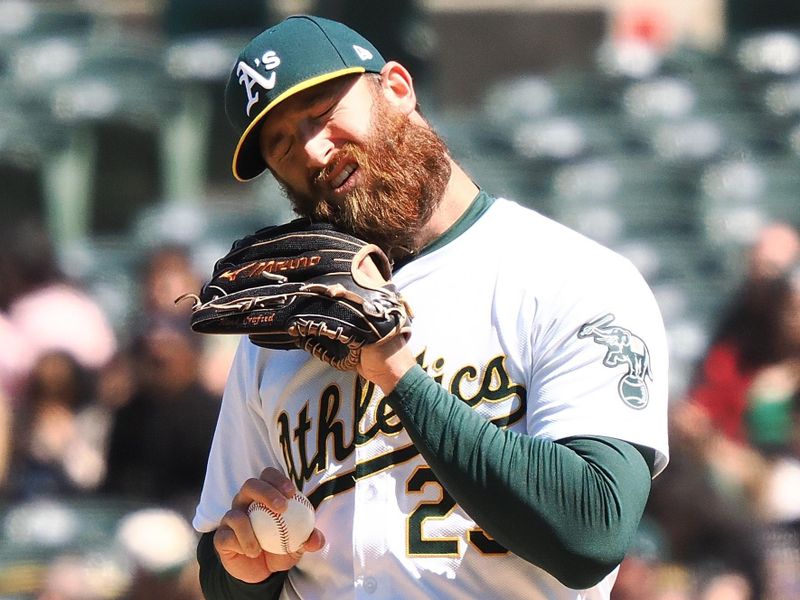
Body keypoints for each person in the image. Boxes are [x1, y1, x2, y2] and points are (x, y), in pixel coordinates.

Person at [192, 15, 669, 600]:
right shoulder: (280, 332)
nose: (314, 150)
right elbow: (223, 564)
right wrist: (239, 564)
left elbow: (590, 533)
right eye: (283, 144)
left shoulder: (569, 277)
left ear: (396, 87)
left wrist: (396, 371)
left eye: (321, 112)